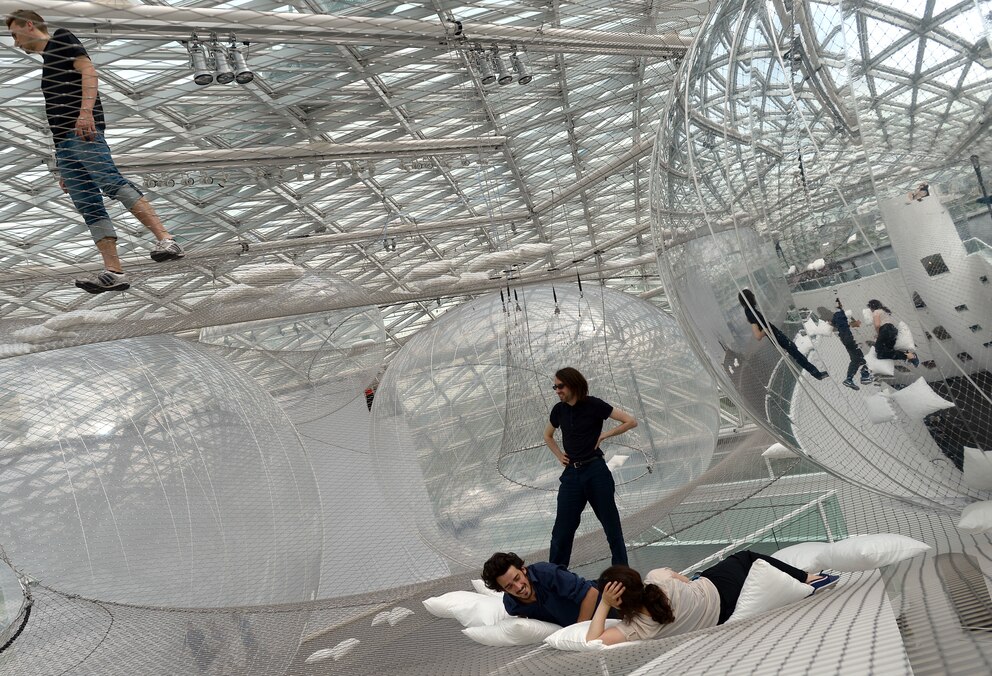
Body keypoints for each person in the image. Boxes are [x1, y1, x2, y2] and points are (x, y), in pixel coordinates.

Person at [7, 10, 185, 294]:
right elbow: (54, 117)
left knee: (111, 182)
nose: (15, 42)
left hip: (83, 132)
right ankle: (113, 271)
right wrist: (62, 166)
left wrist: (86, 112)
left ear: (29, 25)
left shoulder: (63, 38)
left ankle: (167, 239)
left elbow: (89, 71)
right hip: (65, 145)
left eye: (15, 33)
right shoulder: (47, 66)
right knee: (89, 206)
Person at [586, 551, 839, 645]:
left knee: (701, 577)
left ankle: (806, 579)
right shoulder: (658, 579)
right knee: (746, 557)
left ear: (618, 601)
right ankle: (807, 578)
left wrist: (605, 604)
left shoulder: (636, 629)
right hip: (717, 588)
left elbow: (593, 639)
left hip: (721, 613)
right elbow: (684, 582)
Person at [545, 367, 636, 567]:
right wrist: (560, 455)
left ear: (573, 384)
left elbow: (630, 421)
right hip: (571, 476)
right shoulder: (558, 410)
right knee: (562, 530)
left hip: (595, 471)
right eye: (555, 386)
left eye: (560, 386)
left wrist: (605, 435)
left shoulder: (594, 405)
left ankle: (621, 572)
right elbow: (548, 436)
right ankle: (555, 576)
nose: (557, 390)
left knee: (611, 526)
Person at [481, 552, 599, 626]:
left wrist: (579, 630)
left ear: (523, 570)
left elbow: (591, 593)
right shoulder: (512, 605)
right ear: (504, 591)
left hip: (606, 597)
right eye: (509, 586)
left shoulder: (546, 573)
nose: (518, 587)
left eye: (517, 578)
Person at [738, 289, 828, 380]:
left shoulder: (750, 310)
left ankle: (816, 373)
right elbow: (758, 336)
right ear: (749, 298)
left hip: (776, 334)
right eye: (752, 295)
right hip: (776, 336)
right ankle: (817, 374)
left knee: (795, 350)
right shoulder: (750, 313)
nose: (754, 296)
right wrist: (766, 330)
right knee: (796, 354)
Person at [830, 298, 873, 390]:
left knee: (855, 360)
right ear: (840, 305)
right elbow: (850, 325)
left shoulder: (835, 315)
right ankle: (865, 376)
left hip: (844, 339)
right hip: (850, 337)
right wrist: (855, 323)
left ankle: (849, 379)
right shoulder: (843, 313)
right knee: (863, 358)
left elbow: (834, 324)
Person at [866, 300, 919, 366]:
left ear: (872, 307)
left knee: (879, 352)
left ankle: (908, 356)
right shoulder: (885, 311)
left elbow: (877, 325)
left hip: (885, 329)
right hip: (892, 330)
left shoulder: (876, 312)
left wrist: (879, 334)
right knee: (888, 349)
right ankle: (909, 356)